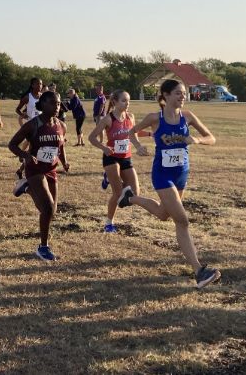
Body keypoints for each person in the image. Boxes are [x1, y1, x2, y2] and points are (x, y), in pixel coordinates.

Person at [117, 79, 221, 288]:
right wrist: (137, 146)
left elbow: (211, 138)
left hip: (182, 173)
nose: (182, 96)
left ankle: (130, 198)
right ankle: (199, 271)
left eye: (184, 93)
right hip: (162, 174)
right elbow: (131, 131)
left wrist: (197, 140)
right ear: (165, 95)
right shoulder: (155, 118)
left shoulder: (188, 117)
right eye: (177, 93)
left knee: (164, 214)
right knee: (182, 221)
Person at [8, 91, 69, 261]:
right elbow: (12, 144)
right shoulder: (32, 125)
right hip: (35, 169)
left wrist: (64, 162)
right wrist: (26, 155)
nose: (56, 107)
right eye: (52, 103)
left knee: (51, 211)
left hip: (51, 170)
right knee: (47, 208)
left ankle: (26, 187)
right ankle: (43, 247)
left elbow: (61, 146)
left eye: (57, 103)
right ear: (42, 105)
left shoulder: (61, 125)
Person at [89, 90, 148, 233]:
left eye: (129, 101)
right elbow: (92, 137)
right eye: (124, 101)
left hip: (126, 158)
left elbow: (133, 133)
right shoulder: (108, 119)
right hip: (111, 157)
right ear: (114, 102)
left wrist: (140, 144)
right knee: (118, 193)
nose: (127, 104)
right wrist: (104, 148)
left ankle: (108, 179)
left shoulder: (131, 117)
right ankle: (109, 223)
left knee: (134, 193)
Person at [14, 78, 43, 178]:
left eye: (41, 84)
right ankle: (23, 161)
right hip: (32, 126)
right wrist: (23, 115)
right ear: (32, 85)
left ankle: (21, 168)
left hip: (41, 125)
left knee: (34, 150)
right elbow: (17, 109)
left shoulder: (42, 96)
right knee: (34, 149)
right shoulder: (28, 97)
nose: (40, 86)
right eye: (38, 84)